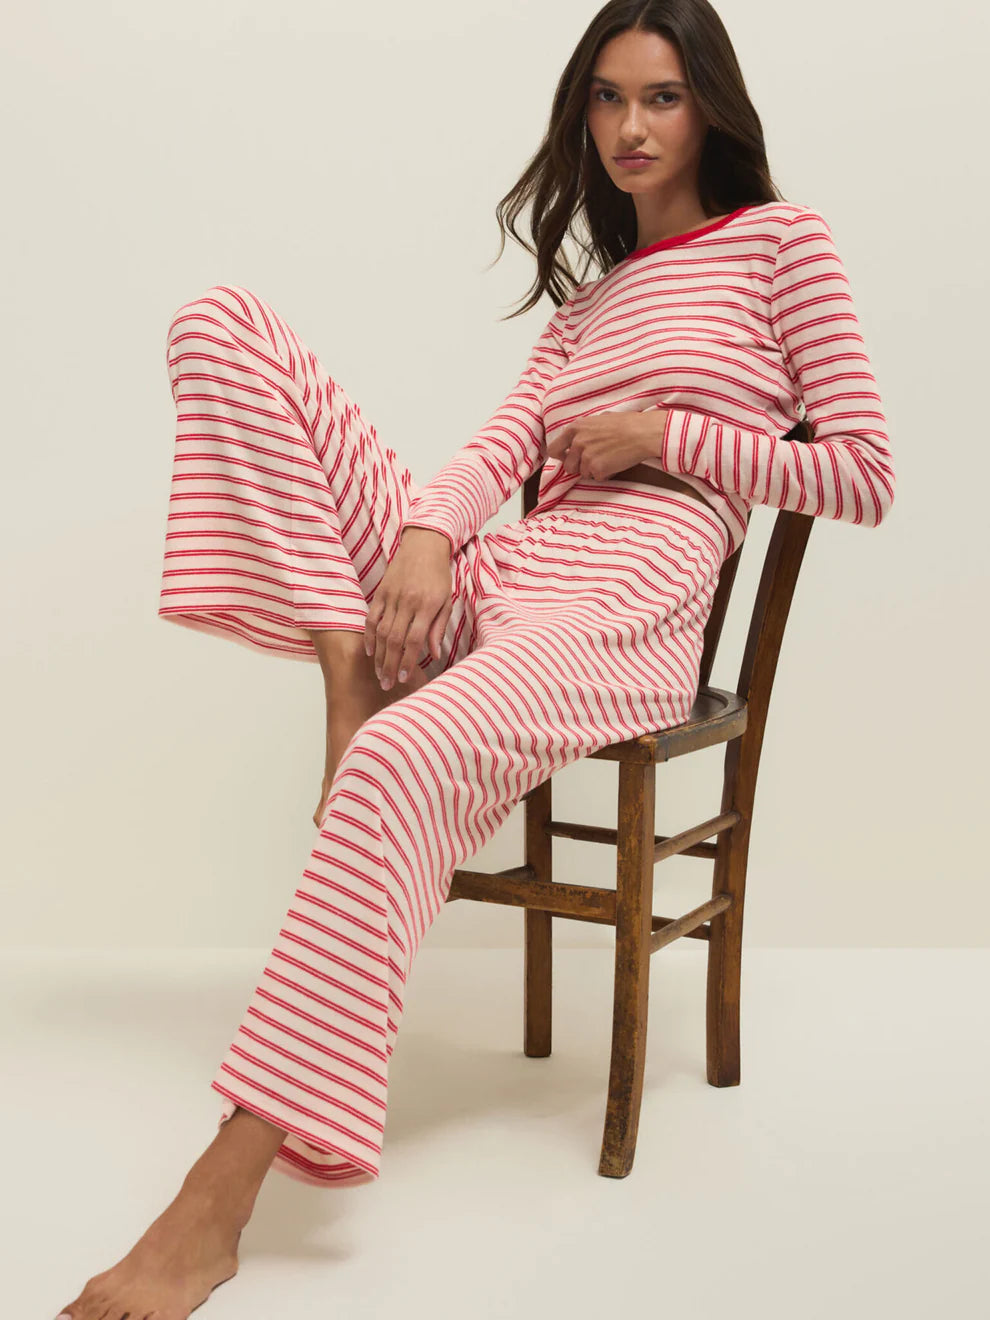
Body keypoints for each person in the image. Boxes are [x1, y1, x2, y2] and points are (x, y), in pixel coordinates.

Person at [52, 2, 895, 1317]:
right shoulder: (588, 303)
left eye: (660, 97)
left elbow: (862, 474)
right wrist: (431, 538)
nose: (628, 127)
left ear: (709, 108)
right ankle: (348, 660)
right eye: (606, 98)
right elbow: (501, 444)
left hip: (627, 606)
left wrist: (662, 436)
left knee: (395, 760)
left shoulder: (783, 245)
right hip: (511, 574)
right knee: (222, 324)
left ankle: (217, 1197)